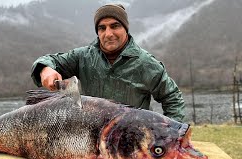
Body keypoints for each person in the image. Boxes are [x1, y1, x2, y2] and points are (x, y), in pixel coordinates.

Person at [31, 4, 185, 121]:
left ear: (125, 28)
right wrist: (45, 69)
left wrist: (171, 135)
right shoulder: (82, 57)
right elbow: (50, 61)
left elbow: (172, 99)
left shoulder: (147, 64)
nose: (108, 33)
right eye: (102, 28)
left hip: (130, 144)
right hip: (89, 141)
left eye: (115, 26)